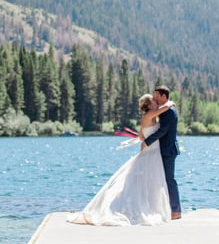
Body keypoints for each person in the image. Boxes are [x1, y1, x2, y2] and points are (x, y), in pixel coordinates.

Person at [68, 94, 175, 225]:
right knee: (148, 180)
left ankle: (149, 205)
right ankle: (142, 207)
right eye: (153, 100)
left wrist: (147, 137)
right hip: (151, 152)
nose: (155, 101)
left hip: (151, 150)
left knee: (148, 180)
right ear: (149, 105)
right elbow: (163, 109)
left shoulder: (148, 116)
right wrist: (170, 103)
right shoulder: (151, 114)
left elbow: (141, 136)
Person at [142, 85, 181, 220]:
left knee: (169, 180)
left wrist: (147, 141)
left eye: (156, 96)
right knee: (159, 180)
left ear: (164, 96)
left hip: (168, 150)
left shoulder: (169, 112)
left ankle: (176, 211)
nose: (155, 99)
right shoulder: (164, 109)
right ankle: (165, 209)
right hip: (162, 150)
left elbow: (163, 131)